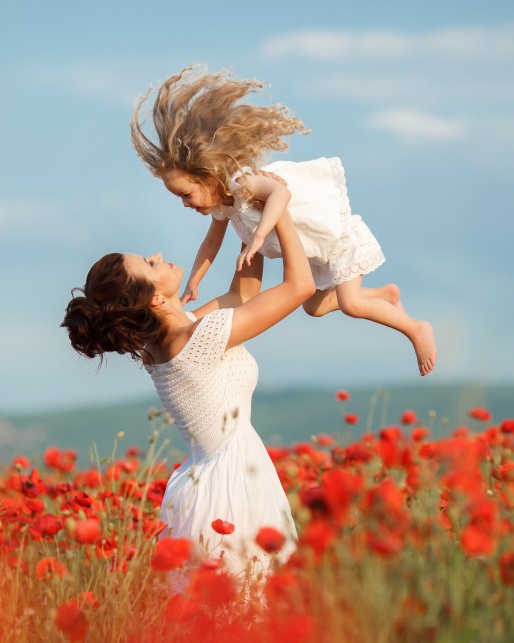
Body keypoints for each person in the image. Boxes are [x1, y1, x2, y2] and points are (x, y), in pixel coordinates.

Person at [61, 201, 315, 591]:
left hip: (212, 481)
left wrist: (244, 217)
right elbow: (301, 287)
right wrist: (276, 209)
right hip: (231, 489)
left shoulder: (171, 340)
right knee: (252, 613)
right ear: (154, 299)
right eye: (149, 264)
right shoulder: (196, 339)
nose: (159, 256)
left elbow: (242, 292)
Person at [131, 65, 437, 377]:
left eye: (186, 195)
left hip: (336, 237)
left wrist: (261, 234)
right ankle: (385, 296)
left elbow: (280, 193)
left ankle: (416, 329)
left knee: (351, 304)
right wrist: (195, 279)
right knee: (314, 308)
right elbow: (211, 242)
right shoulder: (224, 206)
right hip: (313, 253)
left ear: (207, 177)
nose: (185, 204)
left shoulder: (241, 182)